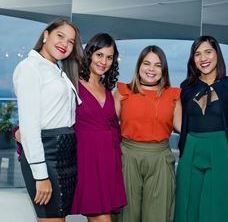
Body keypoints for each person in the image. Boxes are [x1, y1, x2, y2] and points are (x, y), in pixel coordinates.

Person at [13, 18, 83, 221]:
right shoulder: (30, 68)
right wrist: (41, 176)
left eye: (71, 41)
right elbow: (30, 127)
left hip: (64, 154)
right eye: (60, 36)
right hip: (47, 153)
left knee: (58, 218)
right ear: (46, 35)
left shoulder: (55, 69)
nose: (65, 44)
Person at [174, 36, 228, 222]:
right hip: (191, 150)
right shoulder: (186, 88)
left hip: (223, 151)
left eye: (208, 52)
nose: (203, 58)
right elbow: (179, 123)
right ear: (193, 59)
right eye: (197, 54)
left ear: (217, 54)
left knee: (219, 207)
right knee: (188, 206)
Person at [114, 45, 182, 222]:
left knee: (157, 215)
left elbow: (182, 127)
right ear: (139, 66)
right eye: (147, 63)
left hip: (160, 158)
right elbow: (108, 128)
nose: (151, 69)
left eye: (158, 65)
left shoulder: (173, 95)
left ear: (163, 70)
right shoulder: (122, 92)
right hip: (128, 157)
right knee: (126, 214)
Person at [71, 33, 126, 222]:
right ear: (90, 54)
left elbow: (115, 126)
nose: (104, 61)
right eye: (99, 55)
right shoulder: (73, 84)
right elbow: (52, 113)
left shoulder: (107, 89)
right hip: (88, 161)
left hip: (109, 162)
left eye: (109, 57)